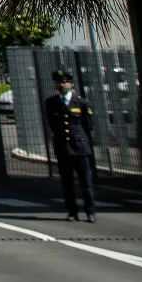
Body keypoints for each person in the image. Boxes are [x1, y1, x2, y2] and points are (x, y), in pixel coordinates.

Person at [43, 69, 97, 222]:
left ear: (71, 84)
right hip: (63, 147)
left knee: (86, 182)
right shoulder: (51, 103)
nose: (63, 85)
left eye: (65, 82)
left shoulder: (81, 103)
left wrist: (82, 141)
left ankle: (90, 211)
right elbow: (52, 124)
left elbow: (88, 126)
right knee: (67, 183)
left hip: (80, 147)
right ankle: (72, 211)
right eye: (60, 82)